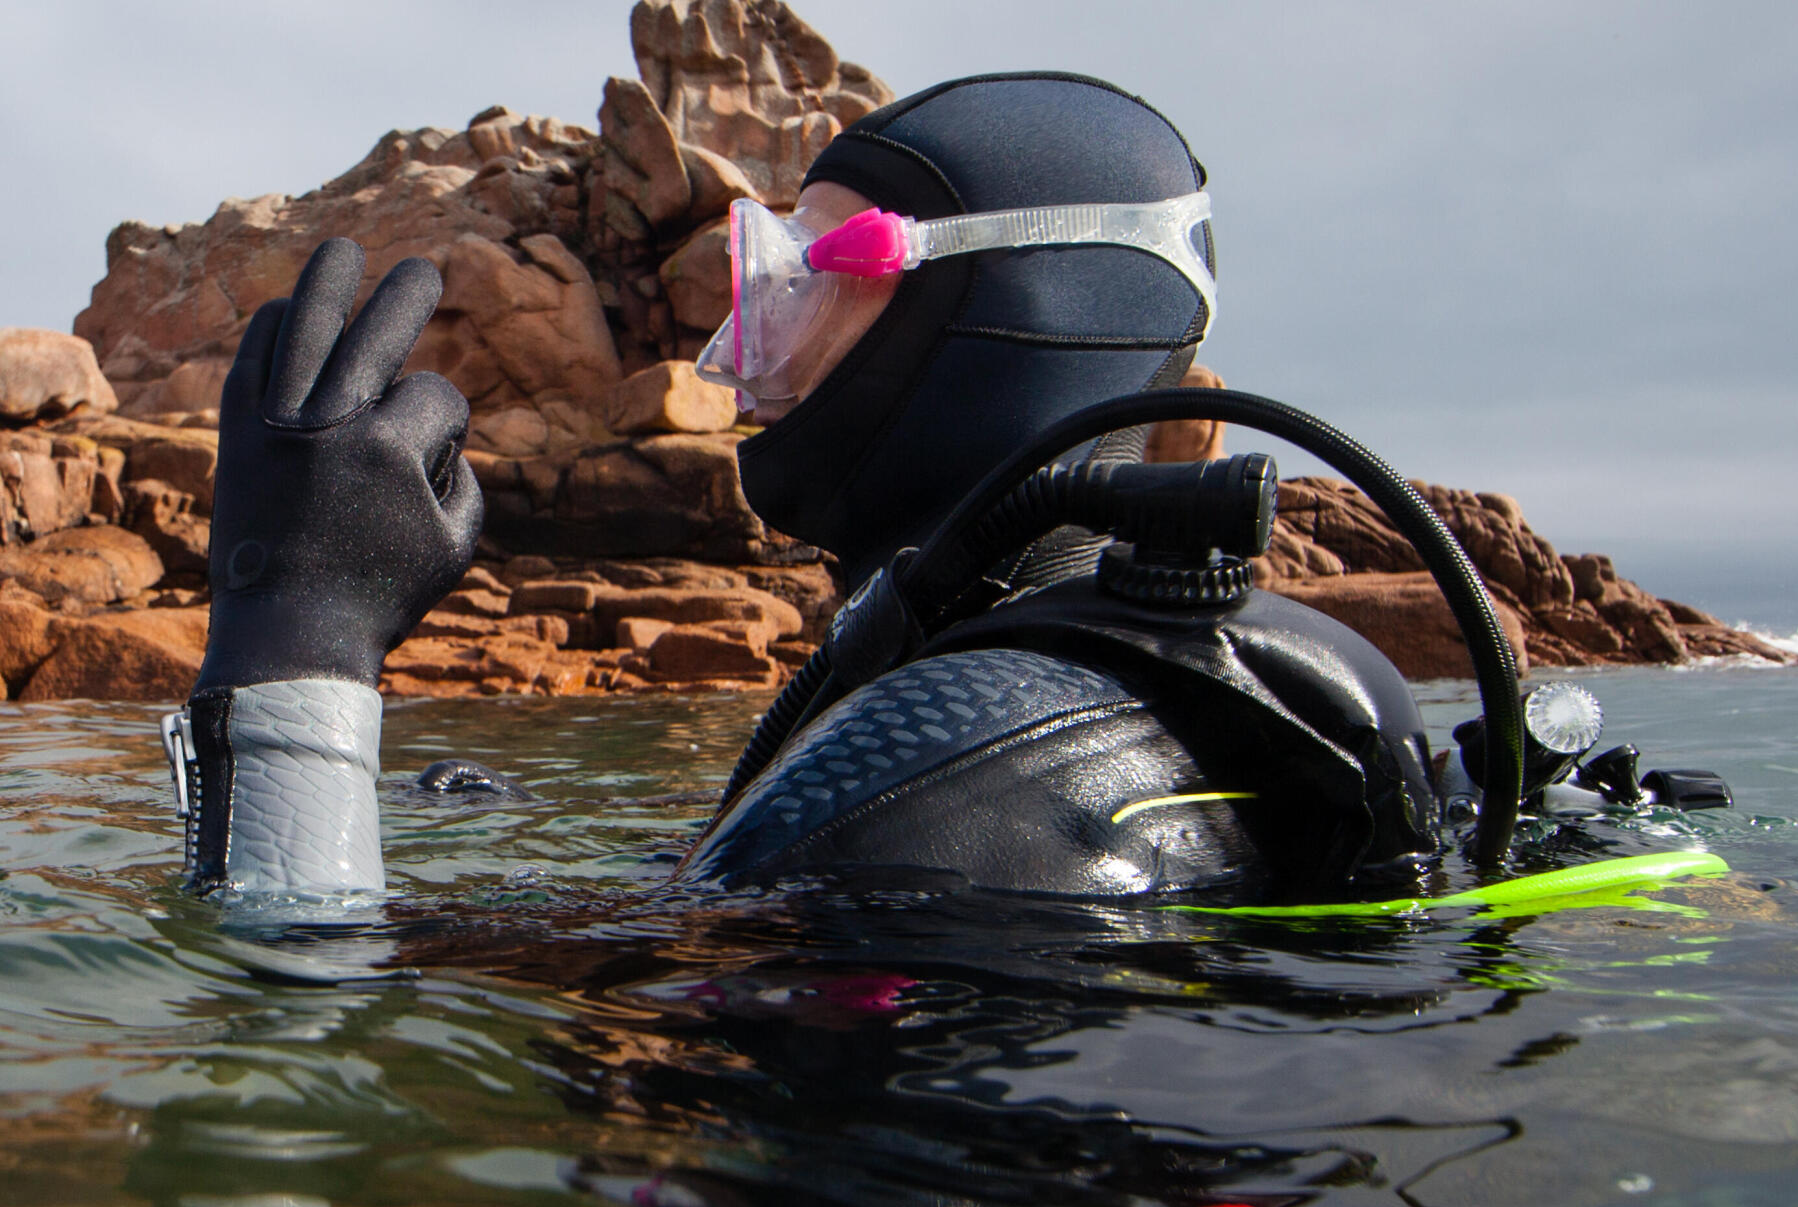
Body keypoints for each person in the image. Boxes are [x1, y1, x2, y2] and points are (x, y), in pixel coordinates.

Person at [158, 73, 1469, 905]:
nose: (738, 359)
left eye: (802, 288)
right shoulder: (1052, 690)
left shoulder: (965, 771)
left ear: (1000, 308)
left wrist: (295, 643)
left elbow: (300, 1041)